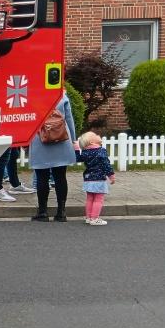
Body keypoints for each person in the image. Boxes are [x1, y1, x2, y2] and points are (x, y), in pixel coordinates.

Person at [28, 90, 79, 222]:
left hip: (40, 138)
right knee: (60, 176)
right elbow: (69, 118)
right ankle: (61, 212)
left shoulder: (33, 94)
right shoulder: (61, 94)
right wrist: (73, 140)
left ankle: (43, 212)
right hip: (61, 137)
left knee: (41, 176)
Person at [79, 131, 115, 226]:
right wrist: (111, 175)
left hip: (88, 179)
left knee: (90, 198)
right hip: (99, 179)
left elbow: (78, 158)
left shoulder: (85, 152)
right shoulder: (101, 150)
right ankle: (94, 218)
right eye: (95, 135)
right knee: (98, 199)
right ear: (91, 142)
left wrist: (75, 149)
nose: (98, 135)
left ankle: (88, 217)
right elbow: (105, 164)